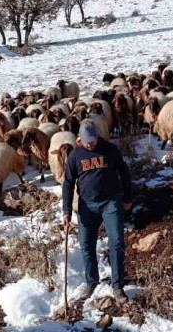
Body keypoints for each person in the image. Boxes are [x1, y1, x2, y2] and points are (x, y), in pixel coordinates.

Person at [62, 121, 132, 302]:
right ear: (80, 139)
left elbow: (123, 171)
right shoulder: (75, 155)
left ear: (97, 136)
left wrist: (128, 197)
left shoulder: (110, 149)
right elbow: (68, 183)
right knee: (86, 245)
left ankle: (118, 286)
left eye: (93, 140)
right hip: (87, 205)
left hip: (110, 202)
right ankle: (91, 281)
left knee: (116, 243)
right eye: (87, 141)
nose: (90, 144)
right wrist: (67, 210)